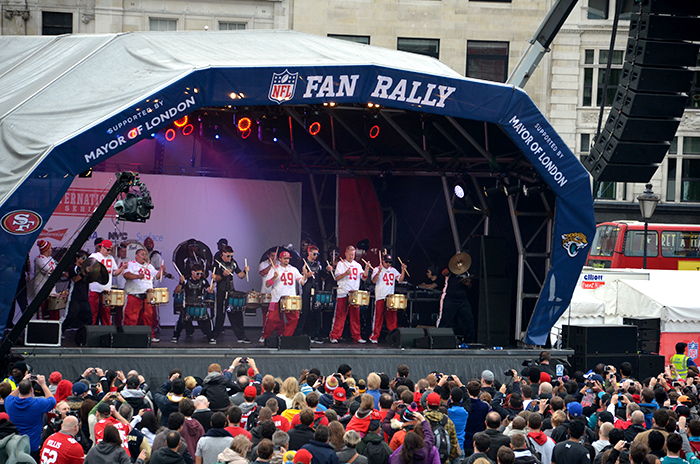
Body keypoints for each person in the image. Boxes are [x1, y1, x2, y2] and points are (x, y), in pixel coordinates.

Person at [260, 251, 312, 343]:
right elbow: (267, 284)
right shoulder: (274, 269)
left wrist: (305, 275)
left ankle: (286, 338)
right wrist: (274, 278)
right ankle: (265, 336)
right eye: (285, 258)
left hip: (290, 299)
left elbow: (302, 281)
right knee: (271, 319)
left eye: (288, 258)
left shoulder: (293, 269)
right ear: (280, 259)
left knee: (294, 318)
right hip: (277, 298)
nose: (287, 260)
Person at [327, 246, 370, 344]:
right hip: (343, 293)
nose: (351, 256)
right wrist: (346, 273)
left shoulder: (358, 265)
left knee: (355, 317)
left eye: (353, 255)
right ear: (345, 253)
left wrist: (366, 269)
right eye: (350, 254)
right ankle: (334, 336)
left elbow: (363, 278)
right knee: (340, 316)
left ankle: (356, 336)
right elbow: (336, 278)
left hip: (354, 294)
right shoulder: (341, 264)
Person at [5, 376, 56, 459]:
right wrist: (43, 385)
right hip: (32, 446)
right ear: (32, 390)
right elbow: (52, 401)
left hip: (14, 445)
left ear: (19, 389)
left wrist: (22, 384)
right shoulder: (38, 404)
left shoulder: (9, 402)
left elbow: (9, 397)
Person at [123, 248, 165, 343]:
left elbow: (157, 276)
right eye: (142, 254)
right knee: (131, 318)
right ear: (136, 256)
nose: (144, 257)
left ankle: (150, 336)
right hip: (134, 295)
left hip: (146, 295)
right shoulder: (132, 264)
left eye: (145, 255)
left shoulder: (149, 266)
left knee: (148, 318)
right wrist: (137, 276)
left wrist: (161, 270)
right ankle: (129, 337)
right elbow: (126, 275)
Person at [212, 245, 251, 343]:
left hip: (231, 291)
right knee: (220, 315)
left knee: (236, 313)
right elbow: (215, 278)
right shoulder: (218, 263)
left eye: (231, 256)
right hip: (221, 291)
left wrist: (245, 272)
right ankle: (214, 335)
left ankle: (241, 336)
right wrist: (223, 275)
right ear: (223, 254)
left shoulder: (233, 263)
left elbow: (240, 276)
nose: (230, 258)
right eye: (228, 256)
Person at [172, 263, 215, 344]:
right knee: (181, 321)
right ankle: (175, 336)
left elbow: (210, 290)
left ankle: (210, 337)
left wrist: (213, 281)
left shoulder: (203, 281)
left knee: (206, 320)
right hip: (188, 304)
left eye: (201, 273)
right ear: (192, 272)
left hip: (199, 304)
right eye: (198, 273)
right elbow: (177, 291)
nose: (199, 275)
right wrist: (181, 283)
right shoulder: (186, 281)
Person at [369, 254, 407, 344]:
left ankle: (393, 336)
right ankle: (374, 336)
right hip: (380, 296)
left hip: (390, 297)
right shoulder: (376, 269)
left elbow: (400, 280)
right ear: (382, 261)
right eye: (386, 262)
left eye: (390, 262)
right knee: (378, 317)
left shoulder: (393, 270)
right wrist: (379, 272)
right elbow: (373, 280)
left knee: (392, 318)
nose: (388, 264)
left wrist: (403, 270)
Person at [88, 239, 126, 326]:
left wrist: (122, 268)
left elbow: (115, 273)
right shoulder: (94, 256)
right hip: (95, 287)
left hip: (106, 289)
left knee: (106, 311)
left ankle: (107, 331)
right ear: (102, 247)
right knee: (93, 311)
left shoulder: (111, 258)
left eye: (110, 250)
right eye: (107, 249)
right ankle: (92, 330)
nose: (109, 252)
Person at [295, 245, 326, 343]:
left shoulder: (318, 263)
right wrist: (306, 275)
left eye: (317, 254)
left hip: (315, 288)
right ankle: (300, 333)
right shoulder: (302, 262)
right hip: (305, 289)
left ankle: (314, 334)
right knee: (304, 311)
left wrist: (328, 271)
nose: (315, 256)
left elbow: (322, 276)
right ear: (309, 253)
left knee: (316, 311)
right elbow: (298, 276)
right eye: (314, 254)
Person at [438, 266, 474, 343]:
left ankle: (469, 342)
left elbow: (470, 286)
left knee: (468, 320)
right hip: (451, 298)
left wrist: (467, 284)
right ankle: (440, 340)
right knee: (446, 320)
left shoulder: (467, 272)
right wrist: (452, 267)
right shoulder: (452, 270)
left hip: (463, 300)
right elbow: (443, 273)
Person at [63, 250, 93, 333]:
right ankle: (60, 332)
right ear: (77, 258)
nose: (84, 260)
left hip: (84, 296)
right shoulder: (72, 268)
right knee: (70, 317)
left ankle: (86, 335)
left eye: (86, 258)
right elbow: (75, 279)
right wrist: (84, 272)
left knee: (88, 318)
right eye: (83, 258)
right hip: (75, 297)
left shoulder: (85, 268)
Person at [33, 239, 59, 320]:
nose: (51, 249)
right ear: (46, 249)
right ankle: (39, 328)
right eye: (50, 248)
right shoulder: (39, 259)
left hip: (51, 290)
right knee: (42, 311)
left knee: (51, 312)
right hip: (41, 289)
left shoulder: (51, 258)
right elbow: (49, 271)